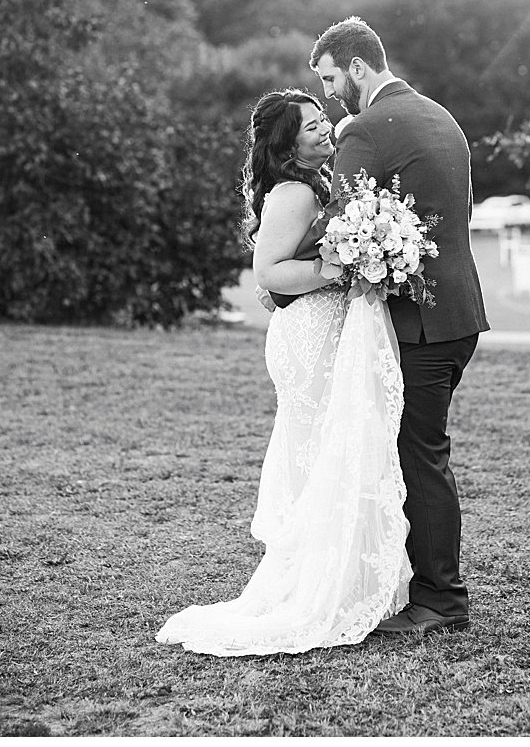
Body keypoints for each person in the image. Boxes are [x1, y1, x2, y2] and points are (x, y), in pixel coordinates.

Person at [157, 89, 412, 655]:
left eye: (324, 122)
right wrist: (339, 263)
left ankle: (338, 574)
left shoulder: (319, 184)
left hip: (323, 328)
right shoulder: (295, 192)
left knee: (329, 450)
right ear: (287, 142)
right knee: (320, 451)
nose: (325, 131)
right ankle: (313, 584)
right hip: (307, 338)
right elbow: (269, 274)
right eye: (312, 127)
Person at [308, 16, 490, 636]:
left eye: (332, 77)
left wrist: (282, 274)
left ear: (358, 67)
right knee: (418, 451)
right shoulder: (444, 118)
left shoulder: (366, 128)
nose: (331, 92)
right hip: (458, 315)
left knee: (420, 456)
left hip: (418, 324)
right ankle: (413, 582)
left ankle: (440, 599)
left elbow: (339, 224)